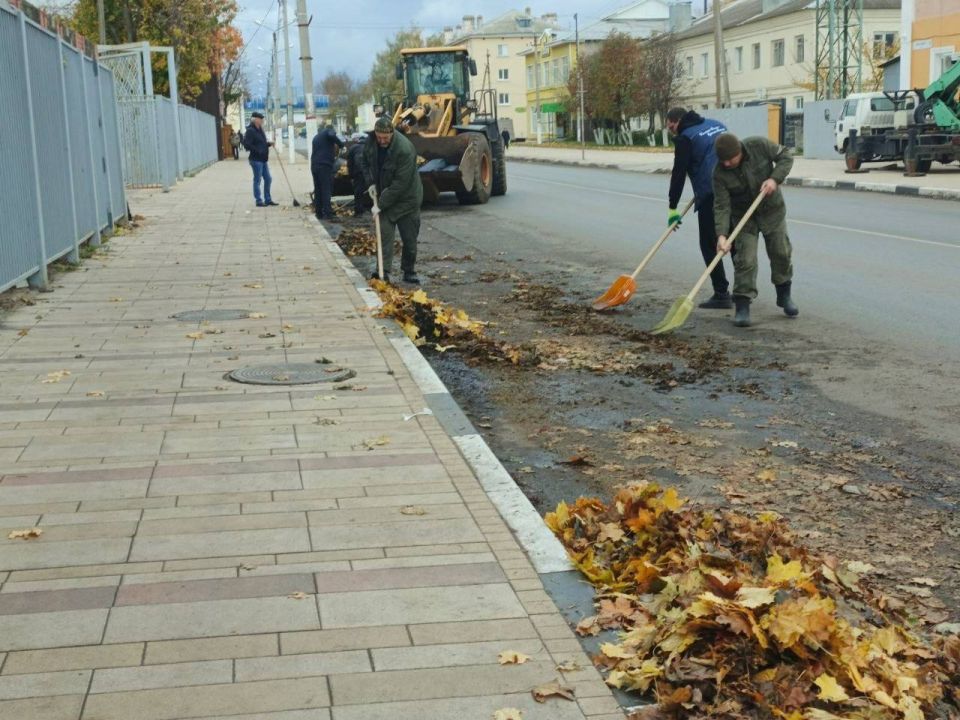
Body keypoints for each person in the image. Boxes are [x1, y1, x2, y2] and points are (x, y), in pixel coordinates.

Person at [712, 132, 799, 327]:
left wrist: (774, 179)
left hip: (771, 212)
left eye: (730, 159)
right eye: (722, 160)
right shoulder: (719, 173)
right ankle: (742, 304)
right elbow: (722, 206)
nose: (726, 164)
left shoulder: (758, 145)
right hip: (744, 219)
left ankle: (784, 295)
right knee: (746, 259)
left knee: (781, 252)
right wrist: (722, 235)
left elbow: (786, 156)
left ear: (739, 151)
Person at [666, 106, 731, 309]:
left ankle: (721, 294)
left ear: (676, 121)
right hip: (735, 189)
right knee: (735, 241)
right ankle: (743, 294)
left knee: (709, 243)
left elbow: (679, 173)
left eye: (670, 127)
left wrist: (672, 208)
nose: (670, 131)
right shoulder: (716, 124)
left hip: (711, 193)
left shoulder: (685, 137)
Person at [361, 117, 423, 284]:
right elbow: (364, 162)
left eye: (385, 138)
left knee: (409, 239)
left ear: (392, 133)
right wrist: (371, 183)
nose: (382, 141)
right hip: (385, 197)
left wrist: (379, 205)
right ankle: (383, 271)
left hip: (407, 200)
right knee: (384, 236)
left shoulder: (404, 149)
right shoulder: (371, 141)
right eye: (379, 137)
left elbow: (400, 185)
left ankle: (409, 271)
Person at [242, 112, 277, 207]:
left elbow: (262, 143)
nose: (262, 120)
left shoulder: (260, 129)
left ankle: (268, 199)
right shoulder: (250, 131)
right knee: (257, 180)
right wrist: (258, 151)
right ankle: (258, 200)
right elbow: (247, 144)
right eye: (261, 119)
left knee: (268, 179)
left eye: (262, 119)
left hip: (263, 159)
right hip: (256, 159)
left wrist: (269, 144)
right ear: (255, 120)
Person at [311, 124, 345, 220]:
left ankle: (319, 213)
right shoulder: (328, 132)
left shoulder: (316, 137)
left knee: (318, 190)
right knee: (326, 189)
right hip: (324, 166)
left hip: (314, 166)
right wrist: (341, 144)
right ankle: (328, 213)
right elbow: (331, 135)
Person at [346, 140, 368, 216]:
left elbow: (349, 163)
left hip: (358, 172)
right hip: (367, 172)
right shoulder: (369, 147)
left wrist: (351, 175)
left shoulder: (353, 148)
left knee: (358, 192)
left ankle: (359, 210)